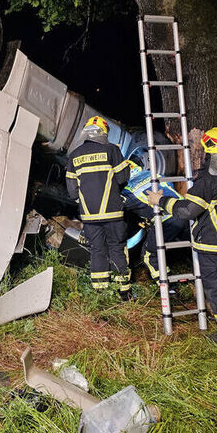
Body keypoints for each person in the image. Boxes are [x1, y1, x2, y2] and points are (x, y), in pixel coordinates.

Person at [146, 127, 217, 343]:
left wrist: (159, 200)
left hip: (211, 245)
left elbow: (185, 211)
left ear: (210, 151)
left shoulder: (207, 182)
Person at [65, 116, 133, 300]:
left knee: (97, 250)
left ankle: (100, 293)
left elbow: (72, 191)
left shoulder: (74, 156)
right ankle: (124, 292)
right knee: (117, 248)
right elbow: (122, 178)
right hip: (113, 213)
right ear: (103, 132)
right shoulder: (111, 150)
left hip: (89, 216)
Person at [121, 159, 189, 284]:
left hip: (166, 221)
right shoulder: (154, 174)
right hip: (185, 212)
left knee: (149, 255)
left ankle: (167, 286)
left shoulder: (126, 190)